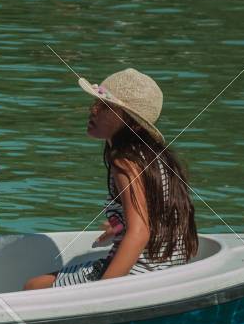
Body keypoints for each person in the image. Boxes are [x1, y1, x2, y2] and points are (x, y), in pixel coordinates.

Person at [25, 68, 197, 290]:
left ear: (133, 123)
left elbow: (140, 233)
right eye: (96, 102)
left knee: (34, 286)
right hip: (168, 267)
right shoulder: (154, 157)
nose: (94, 109)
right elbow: (156, 215)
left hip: (140, 273)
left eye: (106, 106)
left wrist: (103, 293)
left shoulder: (124, 161)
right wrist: (120, 225)